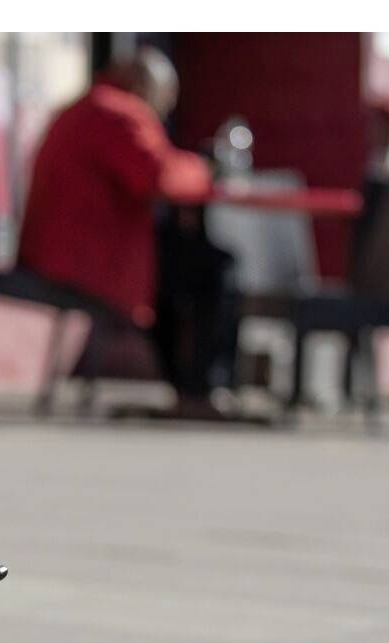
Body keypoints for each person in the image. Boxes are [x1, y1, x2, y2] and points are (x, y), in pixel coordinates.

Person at [16, 46, 236, 408]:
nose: (160, 114)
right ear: (145, 88)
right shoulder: (118, 114)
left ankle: (189, 388)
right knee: (210, 268)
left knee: (179, 264)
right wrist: (207, 170)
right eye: (162, 102)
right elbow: (159, 176)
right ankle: (200, 390)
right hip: (85, 260)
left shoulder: (88, 106)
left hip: (58, 249)